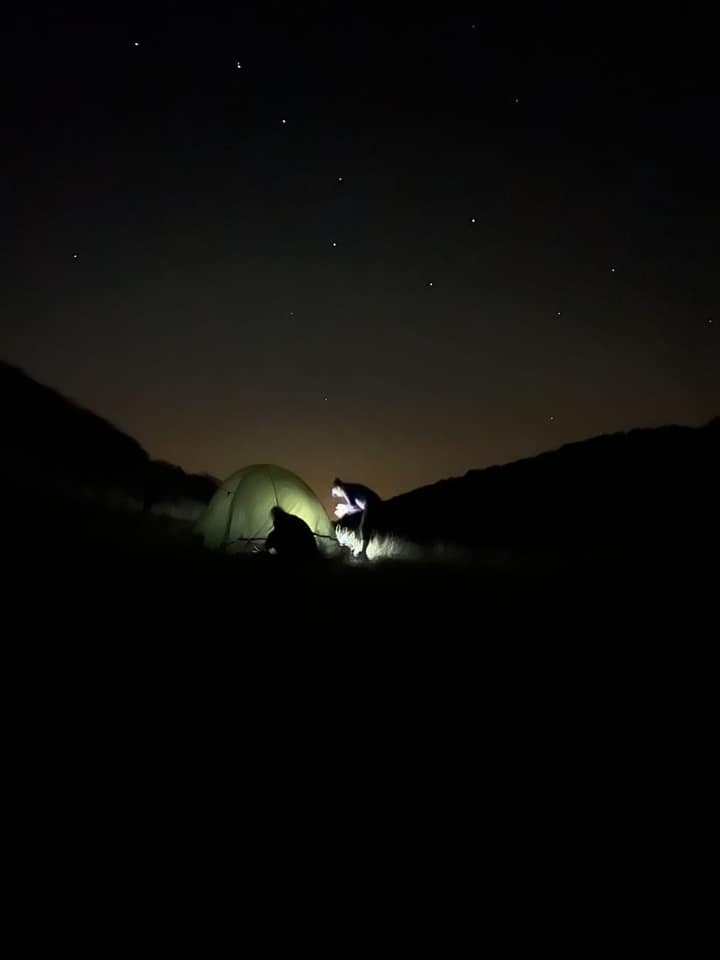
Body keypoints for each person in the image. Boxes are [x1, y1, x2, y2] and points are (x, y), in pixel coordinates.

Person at [331, 478, 381, 559]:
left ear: (337, 488)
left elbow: (352, 505)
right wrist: (346, 510)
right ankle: (365, 549)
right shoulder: (349, 487)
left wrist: (344, 509)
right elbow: (357, 508)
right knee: (364, 525)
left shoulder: (344, 489)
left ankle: (363, 553)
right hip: (372, 502)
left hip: (371, 503)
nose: (336, 496)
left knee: (364, 526)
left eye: (335, 494)